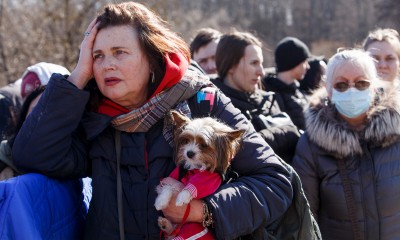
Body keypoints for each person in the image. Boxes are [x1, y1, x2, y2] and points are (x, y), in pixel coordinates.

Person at [12, 2, 293, 239]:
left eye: (120, 52)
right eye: (97, 56)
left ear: (153, 57)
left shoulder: (202, 103)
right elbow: (30, 155)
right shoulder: (93, 117)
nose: (107, 64)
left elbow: (275, 182)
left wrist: (203, 211)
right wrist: (77, 78)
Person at [292, 49, 400, 240]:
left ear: (373, 87)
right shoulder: (311, 145)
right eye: (341, 84)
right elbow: (305, 218)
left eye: (361, 83)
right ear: (329, 90)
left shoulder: (396, 134)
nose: (352, 90)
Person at [212, 31, 301, 164]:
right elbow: (236, 155)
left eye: (261, 63)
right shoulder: (216, 108)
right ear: (230, 65)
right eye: (254, 63)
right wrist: (287, 133)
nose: (261, 71)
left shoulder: (269, 100)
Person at [262, 36, 311, 130]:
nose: (308, 66)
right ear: (293, 62)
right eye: (304, 61)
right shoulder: (272, 96)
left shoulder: (297, 90)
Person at [0, 86, 45, 180]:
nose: (41, 119)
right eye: (35, 111)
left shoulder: (76, 172)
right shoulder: (4, 156)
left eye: (52, 113)